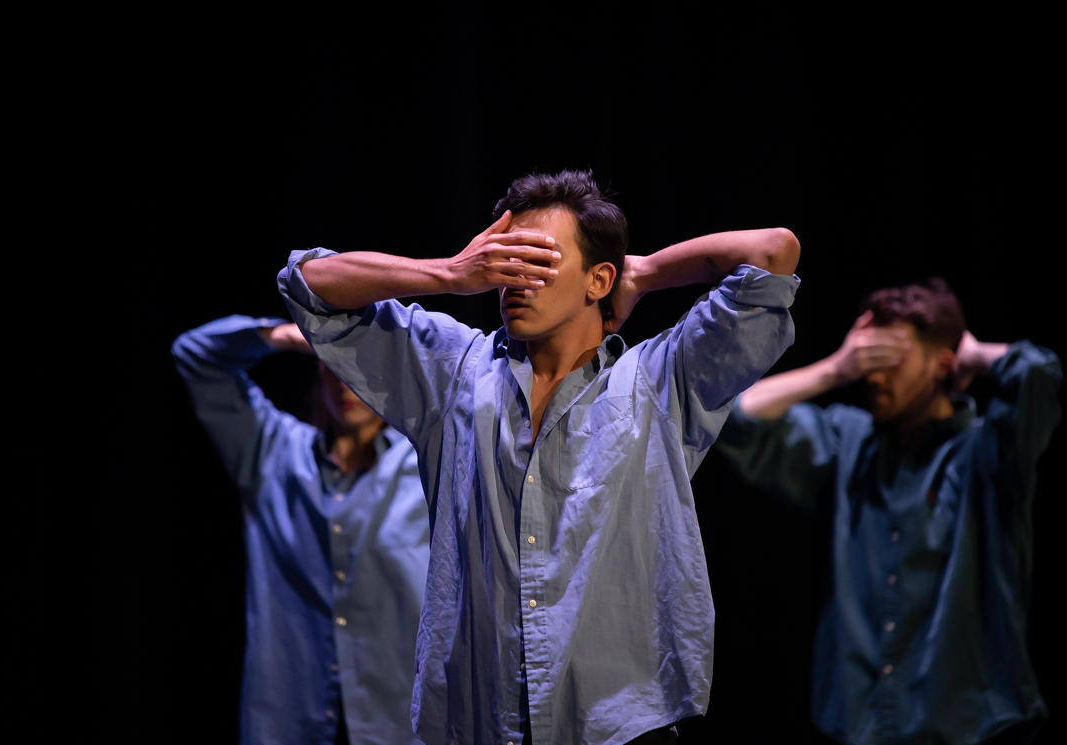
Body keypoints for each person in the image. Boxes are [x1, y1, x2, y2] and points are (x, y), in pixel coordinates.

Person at [276, 170, 801, 744]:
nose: (512, 277)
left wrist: (643, 272)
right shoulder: (453, 372)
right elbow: (309, 283)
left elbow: (772, 252)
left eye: (536, 260)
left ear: (598, 279)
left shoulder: (658, 379)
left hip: (618, 728)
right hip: (480, 721)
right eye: (504, 258)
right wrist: (450, 273)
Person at [713, 279, 1062, 744]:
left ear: (943, 364)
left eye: (890, 358)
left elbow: (1038, 373)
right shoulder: (849, 443)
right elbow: (738, 419)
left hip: (967, 730)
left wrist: (971, 354)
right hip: (860, 728)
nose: (874, 375)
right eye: (869, 358)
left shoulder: (987, 454)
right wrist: (835, 368)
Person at [172, 314, 430, 745]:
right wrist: (287, 336)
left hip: (399, 723)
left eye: (360, 365)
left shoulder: (424, 467)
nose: (346, 382)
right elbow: (195, 355)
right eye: (334, 365)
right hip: (290, 719)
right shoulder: (273, 454)